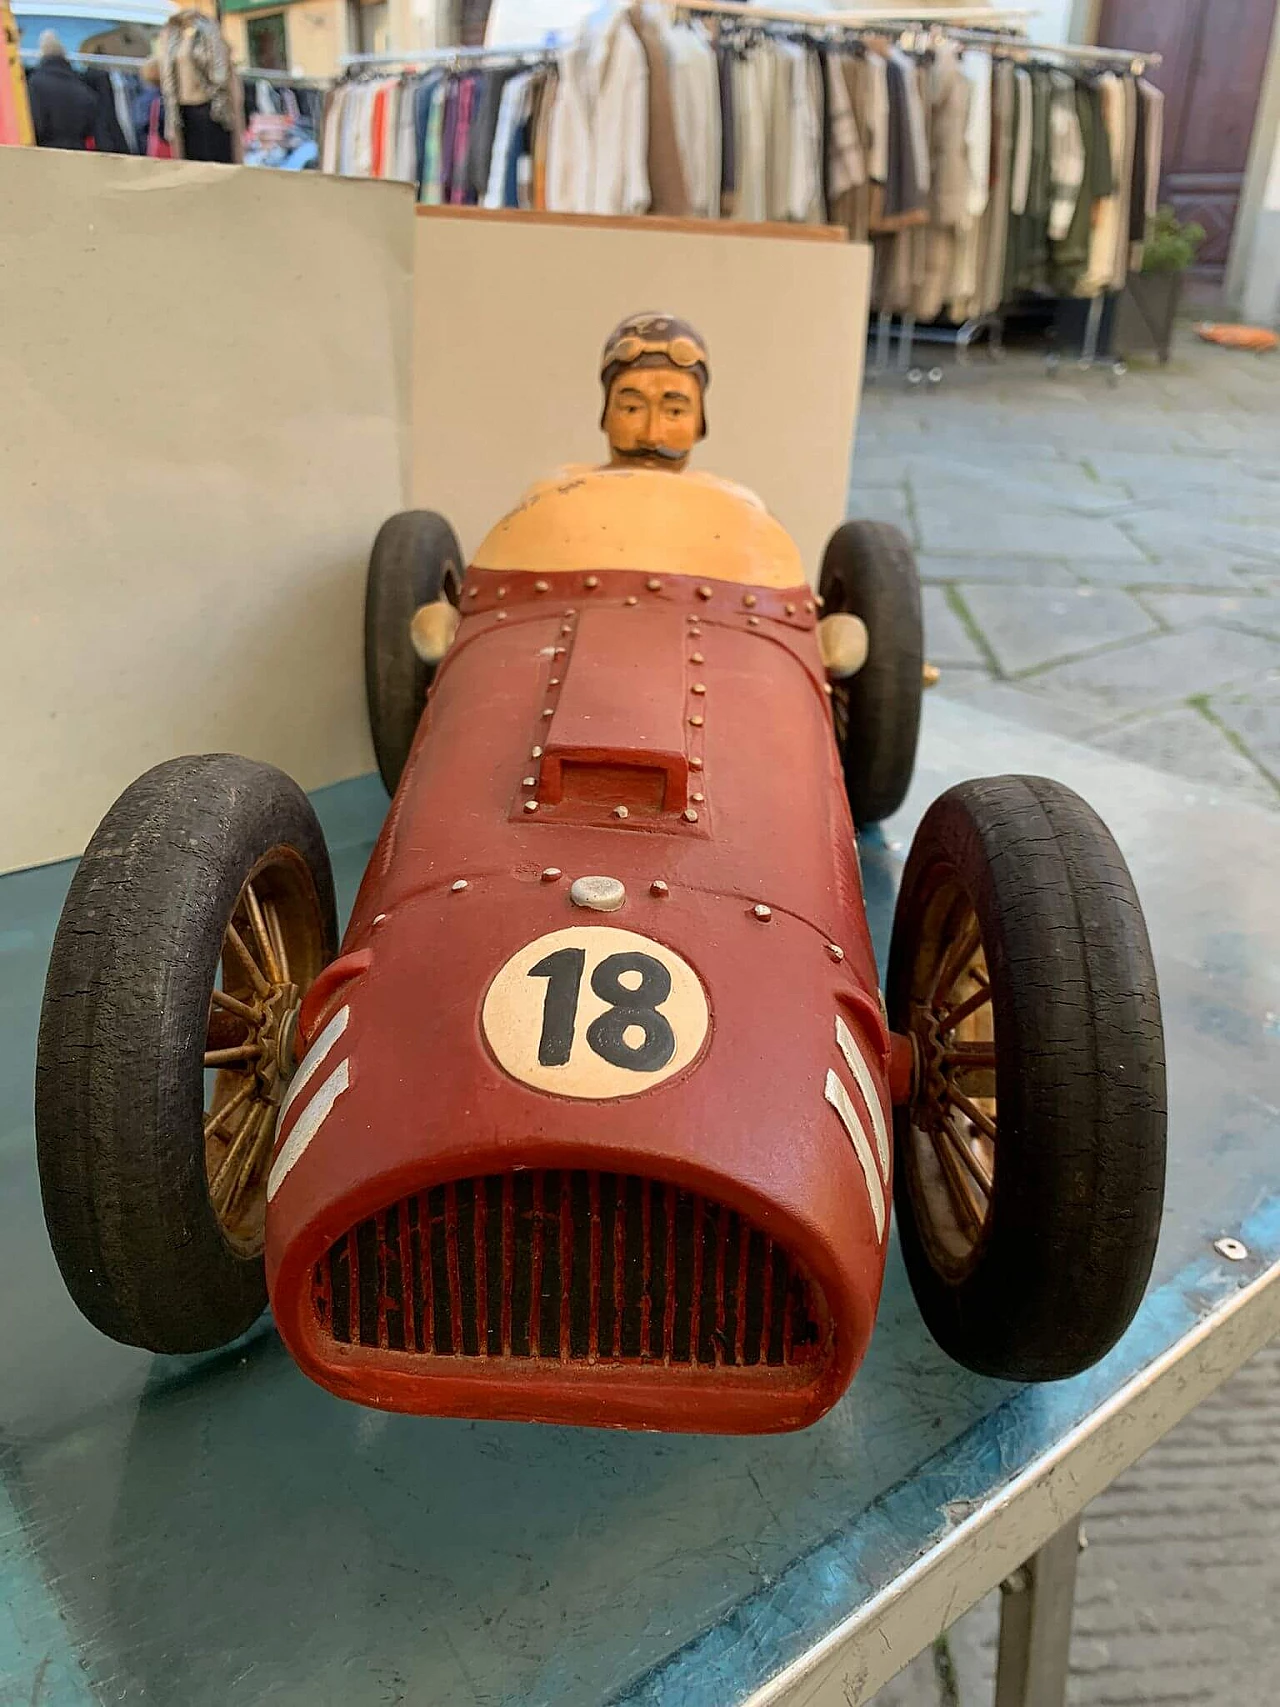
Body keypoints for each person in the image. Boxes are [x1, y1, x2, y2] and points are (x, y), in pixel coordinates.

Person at [26, 31, 96, 151]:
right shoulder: (83, 88)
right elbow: (94, 130)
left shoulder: (34, 84)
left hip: (45, 154)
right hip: (78, 154)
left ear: (42, 55)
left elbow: (35, 125)